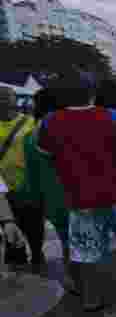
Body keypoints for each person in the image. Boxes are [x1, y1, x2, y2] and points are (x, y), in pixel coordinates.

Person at [38, 75, 116, 317]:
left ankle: (91, 299)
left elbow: (46, 155)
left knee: (86, 252)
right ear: (93, 92)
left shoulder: (49, 122)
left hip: (80, 198)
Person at [22, 86, 69, 279]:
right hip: (79, 193)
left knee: (66, 239)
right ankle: (84, 279)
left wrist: (34, 200)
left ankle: (74, 277)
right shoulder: (67, 129)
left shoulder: (30, 137)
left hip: (54, 199)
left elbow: (32, 176)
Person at [0, 86, 45, 272]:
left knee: (35, 234)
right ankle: (18, 274)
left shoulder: (31, 122)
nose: (3, 101)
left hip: (30, 188)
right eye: (1, 98)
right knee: (12, 237)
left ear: (14, 100)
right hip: (4, 192)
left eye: (7, 97)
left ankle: (37, 261)